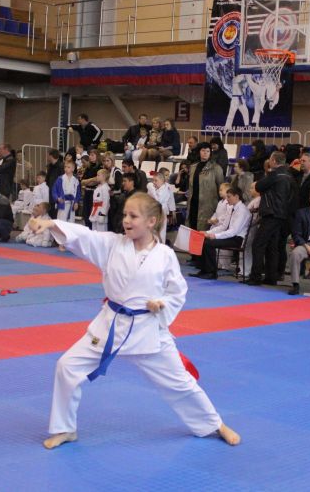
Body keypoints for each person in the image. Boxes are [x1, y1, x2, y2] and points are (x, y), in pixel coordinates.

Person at [30, 192, 240, 450]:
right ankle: (65, 429)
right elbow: (85, 236)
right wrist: (50, 223)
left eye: (133, 216)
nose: (126, 221)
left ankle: (214, 424)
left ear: (151, 221)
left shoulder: (164, 255)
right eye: (125, 215)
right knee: (67, 366)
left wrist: (161, 304)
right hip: (110, 325)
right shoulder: (112, 245)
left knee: (179, 382)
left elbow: (177, 291)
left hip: (147, 328)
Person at [248, 151, 293, 286]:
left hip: (271, 213)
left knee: (258, 244)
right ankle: (271, 277)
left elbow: (258, 186)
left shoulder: (274, 175)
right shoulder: (289, 175)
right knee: (272, 246)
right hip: (283, 214)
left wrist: (268, 174)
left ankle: (255, 276)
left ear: (273, 161)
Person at [191, 186, 251, 280]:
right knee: (202, 240)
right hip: (230, 236)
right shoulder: (233, 208)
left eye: (229, 197)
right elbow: (223, 226)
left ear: (236, 196)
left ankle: (211, 272)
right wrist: (207, 232)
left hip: (237, 239)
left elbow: (233, 231)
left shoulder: (242, 211)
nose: (227, 199)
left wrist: (215, 236)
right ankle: (204, 270)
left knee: (208, 244)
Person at [186, 143, 224, 231]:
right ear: (199, 152)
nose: (205, 153)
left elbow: (221, 187)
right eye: (203, 150)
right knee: (192, 226)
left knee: (204, 230)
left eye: (208, 151)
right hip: (193, 202)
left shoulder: (216, 168)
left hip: (208, 205)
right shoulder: (193, 167)